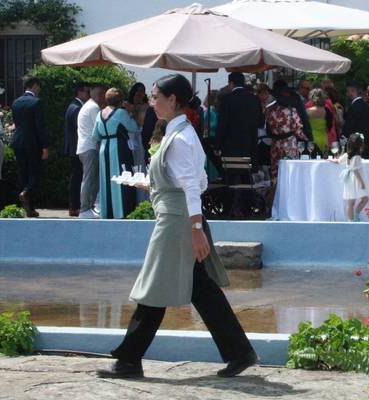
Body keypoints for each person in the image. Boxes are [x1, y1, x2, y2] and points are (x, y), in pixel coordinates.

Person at [98, 74, 257, 380]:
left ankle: (129, 359)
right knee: (200, 289)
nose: (151, 101)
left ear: (172, 100)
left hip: (176, 223)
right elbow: (197, 181)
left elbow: (193, 188)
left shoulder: (181, 137)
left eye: (155, 96)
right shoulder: (181, 133)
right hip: (179, 218)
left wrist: (195, 229)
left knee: (155, 287)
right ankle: (239, 352)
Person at [94, 88, 140, 219]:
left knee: (106, 179)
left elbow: (95, 135)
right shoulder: (120, 113)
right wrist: (131, 114)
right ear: (121, 101)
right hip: (119, 147)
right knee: (123, 177)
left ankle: (107, 211)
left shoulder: (99, 113)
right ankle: (121, 211)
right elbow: (133, 127)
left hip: (104, 147)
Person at [10, 76, 48, 217]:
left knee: (23, 173)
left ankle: (29, 207)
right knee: (36, 173)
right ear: (35, 86)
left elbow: (17, 123)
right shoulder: (37, 102)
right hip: (32, 143)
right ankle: (25, 192)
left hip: (18, 142)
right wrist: (45, 146)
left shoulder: (16, 102)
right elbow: (40, 127)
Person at [257, 84, 308, 188]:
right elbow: (298, 130)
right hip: (289, 144)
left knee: (276, 171)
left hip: (275, 144)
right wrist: (307, 140)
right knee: (290, 171)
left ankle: (275, 195)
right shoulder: (291, 111)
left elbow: (267, 128)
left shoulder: (269, 110)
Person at [216, 72, 265, 161]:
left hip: (231, 147)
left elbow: (222, 125)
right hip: (250, 146)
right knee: (248, 173)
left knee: (232, 173)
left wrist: (218, 145)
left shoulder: (226, 100)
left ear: (231, 83)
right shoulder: (255, 99)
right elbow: (261, 123)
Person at [77, 84, 105, 219]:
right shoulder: (94, 107)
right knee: (89, 178)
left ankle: (88, 207)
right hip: (90, 147)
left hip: (85, 147)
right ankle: (84, 209)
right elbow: (99, 129)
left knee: (91, 178)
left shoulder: (88, 105)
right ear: (99, 94)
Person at [64, 83, 88, 217]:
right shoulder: (77, 108)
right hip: (76, 147)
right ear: (79, 92)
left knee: (76, 176)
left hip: (73, 147)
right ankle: (74, 206)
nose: (88, 94)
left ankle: (73, 205)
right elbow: (79, 129)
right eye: (86, 91)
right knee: (77, 177)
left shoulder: (73, 106)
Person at [335, 133, 369, 222]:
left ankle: (351, 220)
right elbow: (355, 170)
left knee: (350, 202)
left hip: (349, 179)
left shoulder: (348, 154)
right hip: (356, 179)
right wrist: (362, 183)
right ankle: (356, 216)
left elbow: (338, 161)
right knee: (364, 199)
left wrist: (329, 159)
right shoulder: (357, 156)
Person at [126, 83, 150, 169]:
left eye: (142, 91)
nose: (140, 93)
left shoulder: (146, 106)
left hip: (140, 134)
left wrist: (135, 110)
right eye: (138, 91)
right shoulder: (126, 105)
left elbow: (141, 122)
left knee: (140, 156)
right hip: (129, 134)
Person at [306, 88, 332, 155]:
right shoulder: (327, 111)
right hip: (324, 138)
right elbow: (329, 128)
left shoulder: (307, 111)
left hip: (311, 138)